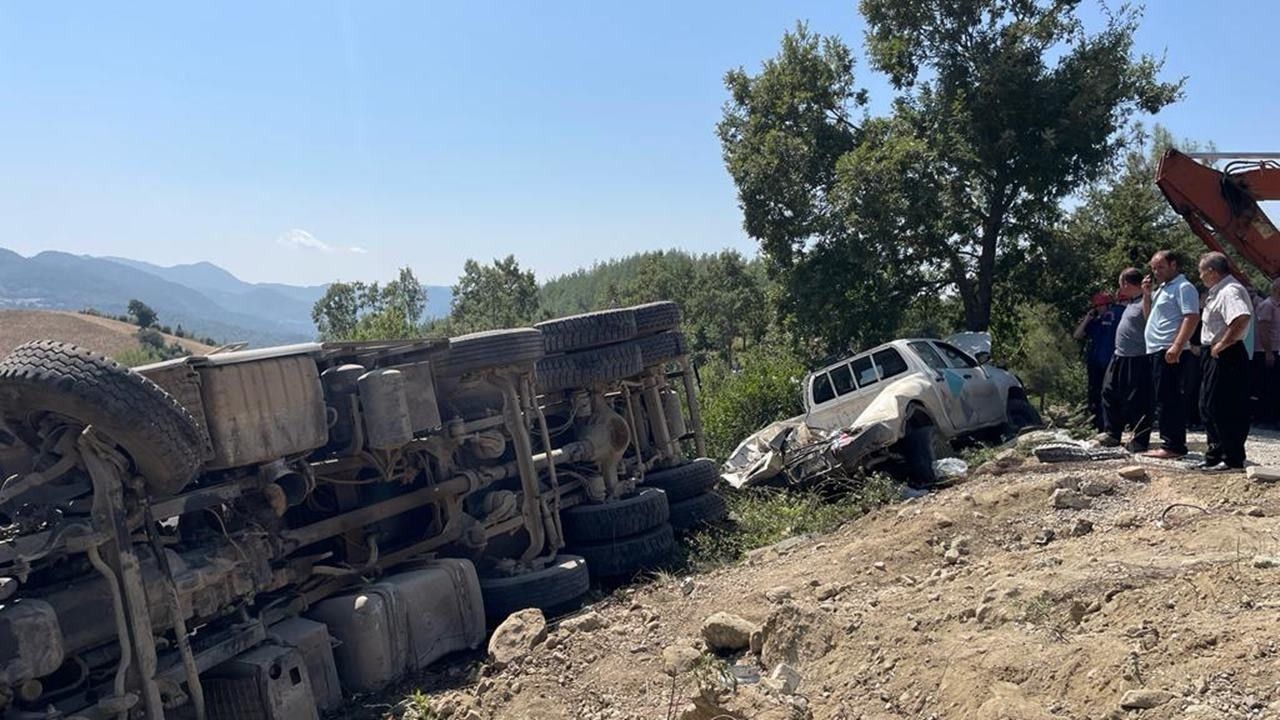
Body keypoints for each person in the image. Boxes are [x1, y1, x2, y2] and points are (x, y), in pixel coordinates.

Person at [1196, 251, 1253, 470]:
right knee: (1208, 405)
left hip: (1227, 354)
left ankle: (1232, 459)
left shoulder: (1230, 290)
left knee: (1224, 407)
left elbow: (1241, 317)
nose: (1200, 276)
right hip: (1213, 354)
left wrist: (1222, 344)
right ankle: (1215, 455)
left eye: (1202, 272)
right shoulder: (1217, 292)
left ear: (1211, 271)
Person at [1141, 250, 1200, 459]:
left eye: (1160, 267)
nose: (1156, 272)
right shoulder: (1163, 289)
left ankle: (1173, 445)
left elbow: (1191, 317)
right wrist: (1147, 295)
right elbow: (1149, 317)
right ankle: (1170, 443)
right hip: (1156, 349)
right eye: (1153, 268)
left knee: (1170, 398)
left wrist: (1176, 345)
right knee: (1162, 397)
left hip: (1170, 350)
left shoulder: (1184, 287)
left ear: (1174, 265)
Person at [1097, 268, 1150, 450]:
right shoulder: (1130, 303)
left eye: (1121, 283)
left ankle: (1140, 440)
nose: (1119, 288)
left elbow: (1150, 319)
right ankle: (1112, 433)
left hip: (1137, 357)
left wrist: (1147, 294)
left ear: (1126, 283)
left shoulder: (1146, 300)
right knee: (1108, 391)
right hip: (1119, 355)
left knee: (1137, 399)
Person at [1073, 291, 1123, 432]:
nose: (1099, 308)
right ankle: (1097, 424)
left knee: (1109, 394)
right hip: (1095, 363)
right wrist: (1087, 319)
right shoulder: (1094, 323)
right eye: (1096, 306)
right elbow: (1077, 335)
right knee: (1095, 394)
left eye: (1101, 305)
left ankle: (1111, 425)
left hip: (1109, 361)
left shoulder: (1115, 318)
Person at [1253, 279, 1280, 427]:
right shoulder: (1267, 306)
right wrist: (1268, 352)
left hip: (1277, 350)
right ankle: (1264, 418)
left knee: (1275, 386)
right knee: (1266, 386)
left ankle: (1274, 416)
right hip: (1266, 351)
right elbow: (1263, 330)